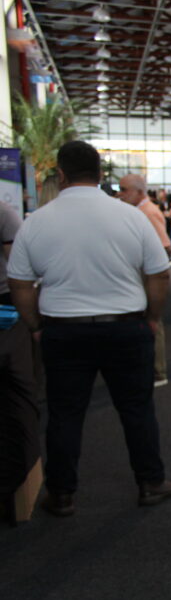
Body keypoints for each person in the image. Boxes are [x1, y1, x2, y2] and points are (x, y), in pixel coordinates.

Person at [6, 140, 171, 516]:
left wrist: (36, 326)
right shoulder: (130, 216)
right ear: (101, 174)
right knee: (137, 409)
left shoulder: (37, 220)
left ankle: (62, 493)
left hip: (63, 331)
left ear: (61, 174)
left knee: (65, 413)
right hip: (126, 328)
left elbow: (19, 283)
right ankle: (150, 482)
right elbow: (159, 274)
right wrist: (151, 318)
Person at [0, 201, 40, 524]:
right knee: (17, 398)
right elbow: (18, 270)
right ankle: (14, 492)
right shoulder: (3, 213)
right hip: (6, 316)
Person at [118, 174, 171, 387]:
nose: (120, 194)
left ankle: (158, 371)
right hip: (147, 272)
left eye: (124, 190)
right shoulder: (139, 212)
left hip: (150, 273)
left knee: (154, 320)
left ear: (139, 192)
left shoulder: (147, 212)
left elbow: (163, 244)